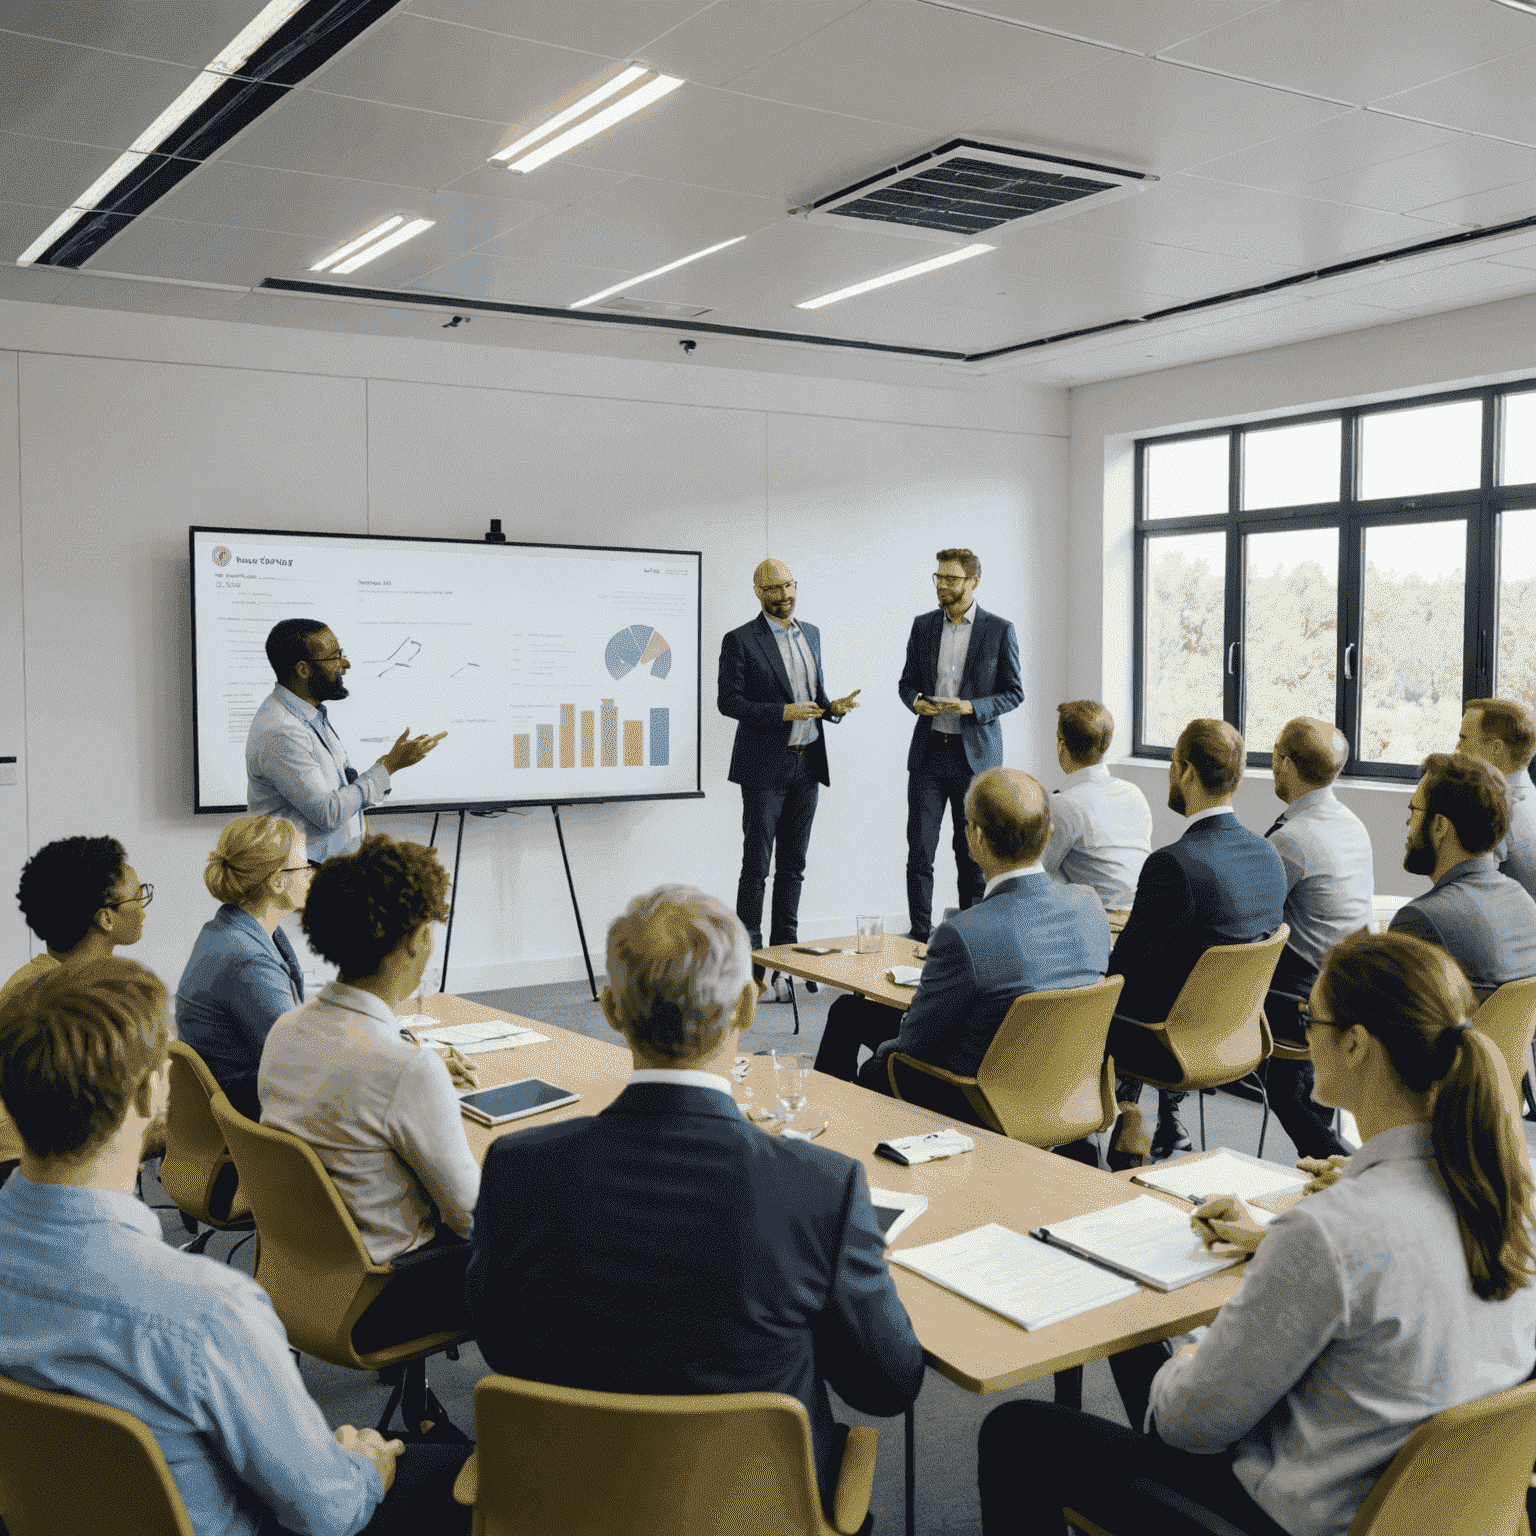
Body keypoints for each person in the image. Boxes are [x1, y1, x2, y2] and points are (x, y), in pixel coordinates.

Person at [977, 930, 1536, 1536]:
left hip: (1285, 1517)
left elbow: (1187, 1429)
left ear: (1355, 1047)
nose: (1303, 1032)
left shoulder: (1331, 1232)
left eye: (1309, 1017)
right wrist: (1272, 1245)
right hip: (1434, 1512)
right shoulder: (1508, 1193)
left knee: (1020, 1431)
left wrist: (1199, 1342)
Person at [466, 885, 925, 1520]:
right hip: (757, 1511)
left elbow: (500, 1345)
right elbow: (886, 1385)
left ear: (609, 1010)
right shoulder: (824, 1188)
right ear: (747, 1005)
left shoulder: (517, 1167)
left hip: (568, 1503)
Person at [0, 957, 472, 1535]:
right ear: (151, 1092)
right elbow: (329, 1513)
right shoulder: (208, 1311)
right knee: (465, 1479)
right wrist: (365, 1468)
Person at [259, 834, 480, 1347]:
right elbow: (471, 1218)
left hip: (299, 1276)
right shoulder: (405, 1067)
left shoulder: (285, 1030)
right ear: (415, 940)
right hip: (386, 1293)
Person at [814, 768, 1109, 1103]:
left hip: (977, 1098)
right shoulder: (1090, 906)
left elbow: (915, 1044)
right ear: (1049, 833)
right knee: (850, 1012)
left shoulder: (962, 933)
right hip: (1061, 1092)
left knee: (876, 1061)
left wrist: (884, 1051)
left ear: (977, 837)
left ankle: (824, 1138)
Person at [1107, 720, 1286, 1159]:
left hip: (1169, 1041)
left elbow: (1122, 976)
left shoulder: (1173, 865)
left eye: (1172, 764)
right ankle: (1165, 1121)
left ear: (1185, 772)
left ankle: (1120, 1119)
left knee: (1080, 1006)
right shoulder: (1268, 856)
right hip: (1235, 1035)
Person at [717, 558, 861, 990]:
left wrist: (831, 707)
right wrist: (783, 712)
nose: (784, 595)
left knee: (794, 866)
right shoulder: (740, 640)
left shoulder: (810, 633)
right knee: (756, 866)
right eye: (774, 588)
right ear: (758, 592)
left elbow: (812, 696)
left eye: (789, 585)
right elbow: (730, 703)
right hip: (763, 769)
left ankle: (786, 958)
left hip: (807, 763)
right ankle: (750, 964)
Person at [1, 835, 150, 1175]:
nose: (142, 908)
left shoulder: (32, 980)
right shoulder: (76, 1005)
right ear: (105, 919)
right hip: (27, 1163)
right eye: (137, 896)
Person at [1261, 717, 1373, 1159]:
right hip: (1353, 987)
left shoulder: (1291, 841)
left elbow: (1255, 919)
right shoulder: (1352, 824)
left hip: (1299, 1000)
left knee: (1288, 1096)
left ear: (1283, 762)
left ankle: (1353, 1169)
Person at [246, 618, 446, 864]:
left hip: (325, 873)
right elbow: (328, 812)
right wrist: (389, 765)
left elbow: (342, 790)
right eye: (334, 656)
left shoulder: (310, 715)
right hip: (296, 881)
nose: (345, 664)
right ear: (303, 670)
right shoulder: (282, 730)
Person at [898, 548, 1023, 942]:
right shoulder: (923, 626)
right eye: (938, 577)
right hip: (930, 753)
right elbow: (906, 682)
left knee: (971, 853)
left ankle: (970, 938)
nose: (943, 585)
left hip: (975, 758)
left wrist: (970, 706)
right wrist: (914, 700)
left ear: (973, 582)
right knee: (920, 850)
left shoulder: (999, 629)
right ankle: (919, 936)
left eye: (951, 579)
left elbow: (1014, 692)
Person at [175, 815, 312, 1120]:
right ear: (278, 881)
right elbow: (298, 1060)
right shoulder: (247, 959)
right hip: (254, 1113)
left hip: (238, 1101)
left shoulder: (228, 927)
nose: (310, 875)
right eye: (304, 867)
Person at [1390, 751, 1536, 999]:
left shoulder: (1419, 920)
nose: (1408, 822)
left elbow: (1385, 1026)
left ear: (1439, 826)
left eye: (1414, 809)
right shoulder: (1522, 900)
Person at [1041, 699, 1151, 931]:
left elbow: (1039, 873)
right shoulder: (1134, 793)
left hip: (1097, 927)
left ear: (1061, 744)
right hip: (1142, 921)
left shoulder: (1063, 805)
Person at [1458, 697, 1536, 901]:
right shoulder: (1530, 798)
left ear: (1496, 749)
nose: (1457, 748)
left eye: (1464, 739)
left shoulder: (1497, 809)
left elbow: (1470, 896)